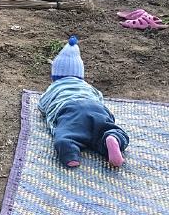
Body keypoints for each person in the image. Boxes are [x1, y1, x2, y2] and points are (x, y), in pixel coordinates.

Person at [38, 36, 129, 168]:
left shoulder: (54, 87)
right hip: (96, 108)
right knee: (107, 129)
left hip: (69, 111)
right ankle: (112, 138)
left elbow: (42, 105)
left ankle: (70, 153)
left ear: (54, 76)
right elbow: (100, 98)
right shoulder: (88, 87)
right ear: (80, 75)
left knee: (66, 135)